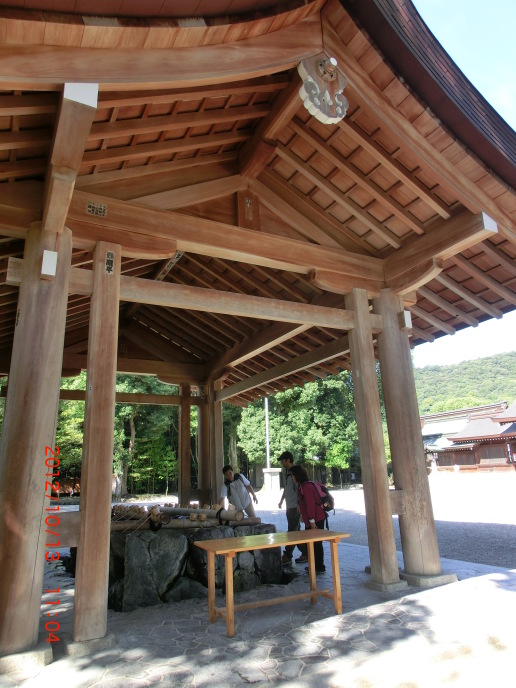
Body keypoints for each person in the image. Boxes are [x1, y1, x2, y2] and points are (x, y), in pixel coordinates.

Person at [289, 464, 326, 573]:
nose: (291, 478)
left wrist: (311, 521)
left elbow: (310, 505)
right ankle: (315, 566)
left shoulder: (306, 487)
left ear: (297, 475)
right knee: (313, 543)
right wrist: (304, 516)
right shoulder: (303, 486)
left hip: (316, 519)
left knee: (316, 544)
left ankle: (318, 567)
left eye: (292, 475)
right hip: (313, 518)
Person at [277, 451, 307, 564]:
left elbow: (300, 489)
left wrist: (299, 504)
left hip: (295, 507)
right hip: (289, 506)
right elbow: (286, 488)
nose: (281, 462)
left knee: (292, 532)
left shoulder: (296, 472)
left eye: (283, 460)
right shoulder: (287, 472)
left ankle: (288, 555)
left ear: (288, 460)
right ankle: (306, 553)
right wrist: (281, 500)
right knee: (296, 531)